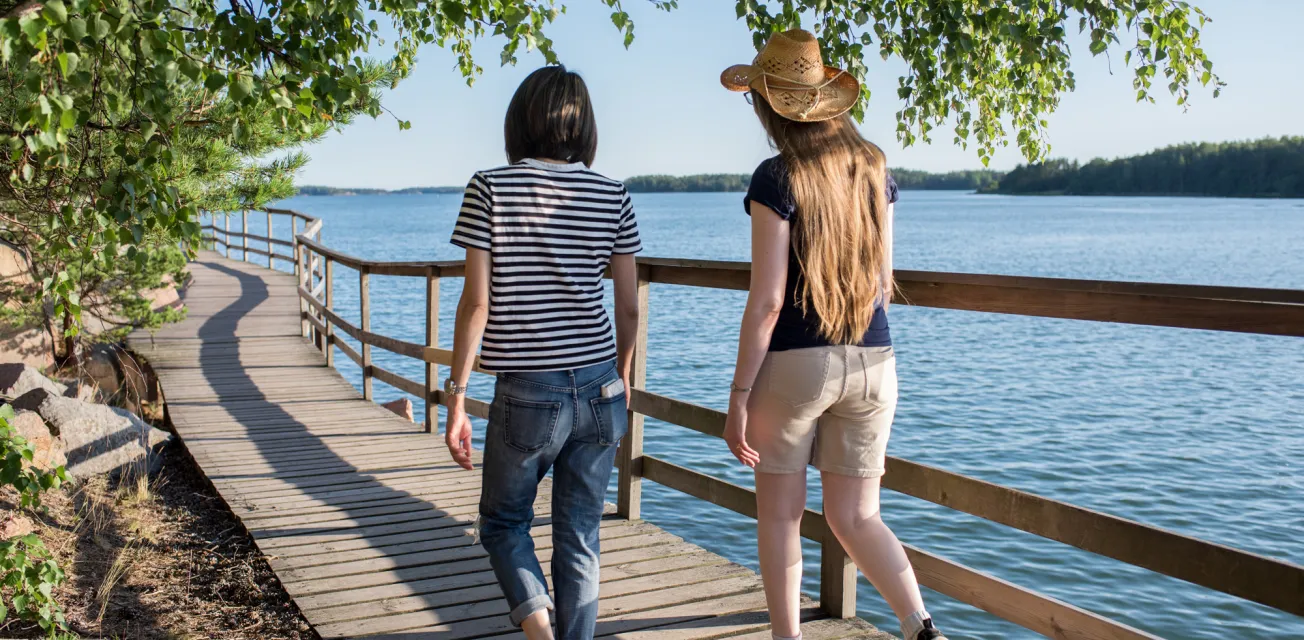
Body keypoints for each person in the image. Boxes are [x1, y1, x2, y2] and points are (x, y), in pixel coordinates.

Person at [719, 29, 948, 640]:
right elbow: (883, 277)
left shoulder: (776, 177)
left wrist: (739, 396)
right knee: (857, 515)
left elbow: (768, 301)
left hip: (796, 364)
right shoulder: (873, 166)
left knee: (781, 515)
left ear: (770, 105)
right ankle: (921, 625)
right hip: (874, 357)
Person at [443, 65, 642, 640]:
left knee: (503, 523)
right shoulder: (614, 194)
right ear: (584, 126)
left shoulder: (490, 187)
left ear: (522, 119)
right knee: (580, 533)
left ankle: (539, 631)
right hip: (602, 387)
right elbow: (628, 306)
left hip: (529, 390)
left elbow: (475, 304)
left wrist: (457, 398)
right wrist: (621, 374)